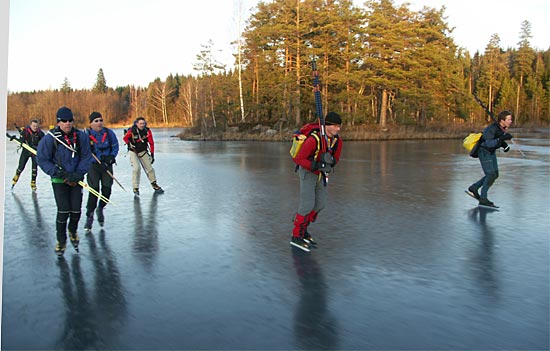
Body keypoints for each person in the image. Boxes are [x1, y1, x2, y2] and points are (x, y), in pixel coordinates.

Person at [37, 106, 93, 256]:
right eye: (64, 121)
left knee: (76, 210)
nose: (67, 124)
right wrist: (58, 172)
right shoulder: (50, 138)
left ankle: (73, 231)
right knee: (63, 211)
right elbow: (42, 159)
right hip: (59, 179)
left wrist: (79, 173)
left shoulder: (81, 137)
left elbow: (87, 156)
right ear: (58, 122)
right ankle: (61, 241)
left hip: (76, 179)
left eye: (70, 121)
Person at [290, 112, 343, 252]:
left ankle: (303, 229)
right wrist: (315, 165)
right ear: (328, 125)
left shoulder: (337, 141)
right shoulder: (314, 139)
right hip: (307, 172)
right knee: (307, 204)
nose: (338, 129)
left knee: (320, 204)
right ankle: (296, 236)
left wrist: (330, 163)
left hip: (321, 174)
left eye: (339, 126)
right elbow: (298, 159)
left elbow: (336, 158)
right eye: (336, 126)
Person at [466, 110, 513, 208]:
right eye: (508, 119)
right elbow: (488, 143)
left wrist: (504, 145)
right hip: (484, 152)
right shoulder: (492, 129)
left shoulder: (501, 128)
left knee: (495, 174)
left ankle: (474, 188)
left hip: (490, 152)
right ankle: (483, 198)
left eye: (511, 119)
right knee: (490, 174)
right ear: (502, 120)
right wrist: (501, 140)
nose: (510, 121)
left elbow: (497, 139)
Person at [83, 112, 119, 231]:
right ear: (91, 123)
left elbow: (115, 146)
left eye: (100, 120)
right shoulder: (86, 136)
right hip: (93, 166)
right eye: (96, 121)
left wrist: (110, 157)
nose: (99, 123)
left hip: (107, 165)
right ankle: (89, 215)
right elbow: (85, 152)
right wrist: (97, 159)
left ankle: (101, 208)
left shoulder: (109, 133)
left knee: (107, 190)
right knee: (94, 191)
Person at [123, 116, 164, 195]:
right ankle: (135, 188)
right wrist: (129, 143)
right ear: (137, 124)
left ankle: (154, 184)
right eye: (140, 123)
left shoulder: (147, 131)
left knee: (150, 168)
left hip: (143, 151)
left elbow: (151, 143)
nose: (142, 125)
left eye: (143, 123)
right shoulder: (132, 130)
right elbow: (125, 138)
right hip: (133, 151)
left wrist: (152, 154)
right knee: (137, 169)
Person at [11, 119, 45, 191]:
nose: (35, 127)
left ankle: (33, 182)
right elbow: (21, 140)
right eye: (33, 126)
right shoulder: (25, 131)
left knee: (34, 169)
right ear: (30, 125)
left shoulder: (40, 134)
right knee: (21, 166)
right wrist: (20, 137)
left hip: (35, 152)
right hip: (26, 151)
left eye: (36, 126)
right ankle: (17, 175)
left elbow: (43, 144)